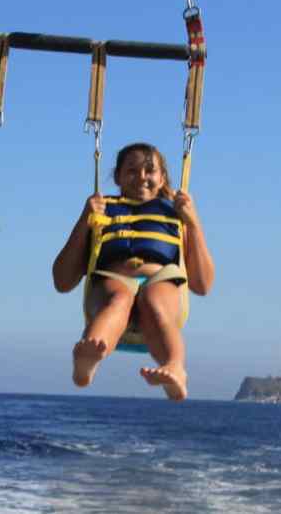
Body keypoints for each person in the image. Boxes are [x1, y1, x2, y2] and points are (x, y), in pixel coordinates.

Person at [52, 142, 215, 401]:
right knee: (119, 299)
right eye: (131, 170)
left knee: (155, 301)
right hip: (113, 280)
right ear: (117, 177)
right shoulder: (101, 210)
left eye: (149, 170)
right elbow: (62, 281)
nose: (141, 177)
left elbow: (202, 285)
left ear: (162, 178)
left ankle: (175, 368)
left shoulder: (175, 214)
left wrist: (193, 223)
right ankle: (88, 359)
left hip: (160, 279)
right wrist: (85, 220)